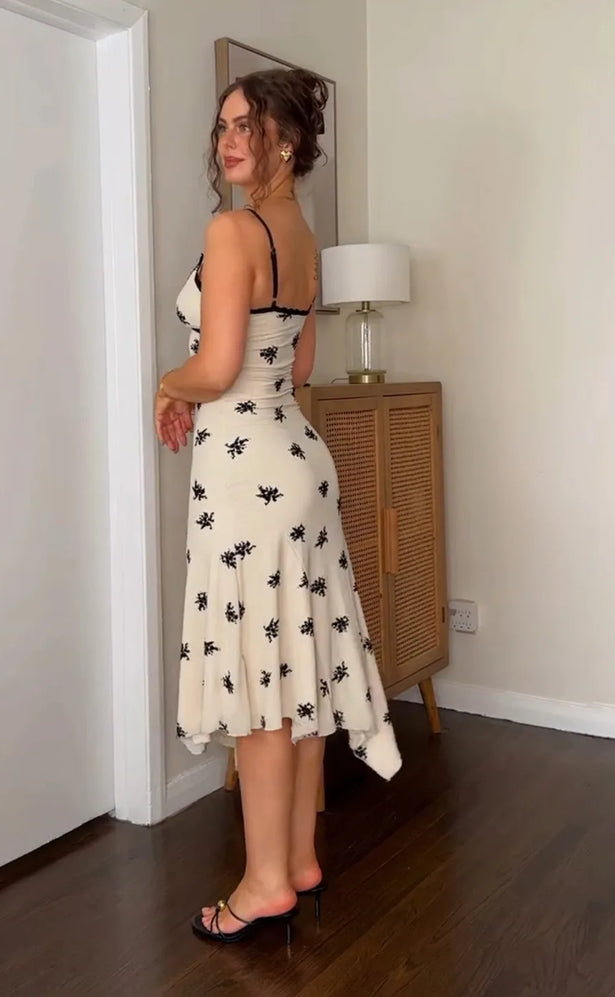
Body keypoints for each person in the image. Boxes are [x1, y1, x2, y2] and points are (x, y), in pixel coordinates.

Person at [154, 66, 402, 944]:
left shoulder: (233, 231)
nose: (227, 141)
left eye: (245, 127)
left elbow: (217, 368)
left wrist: (167, 383)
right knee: (296, 666)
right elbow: (295, 367)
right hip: (298, 460)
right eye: (222, 125)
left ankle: (263, 885)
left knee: (260, 680)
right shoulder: (300, 237)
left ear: (286, 143)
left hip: (247, 476)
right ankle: (296, 859)